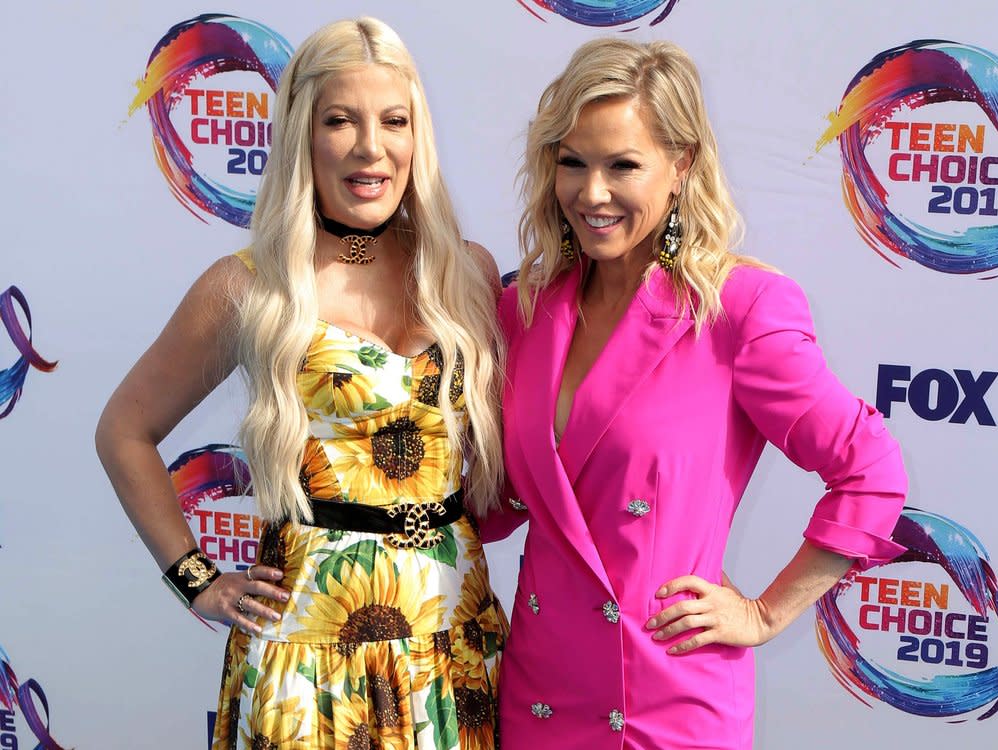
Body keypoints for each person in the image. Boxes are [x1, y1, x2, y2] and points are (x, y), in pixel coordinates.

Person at [478, 38, 907, 749]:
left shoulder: (740, 310)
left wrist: (765, 614)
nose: (592, 194)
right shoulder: (522, 311)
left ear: (680, 166)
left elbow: (871, 471)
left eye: (623, 166)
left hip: (666, 703)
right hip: (539, 694)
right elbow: (500, 506)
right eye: (573, 163)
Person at [96, 18, 508, 750]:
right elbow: (124, 430)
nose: (370, 148)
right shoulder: (250, 287)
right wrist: (197, 578)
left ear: (419, 136)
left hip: (454, 639)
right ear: (300, 135)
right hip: (308, 652)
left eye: (394, 121)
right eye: (340, 121)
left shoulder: (464, 271)